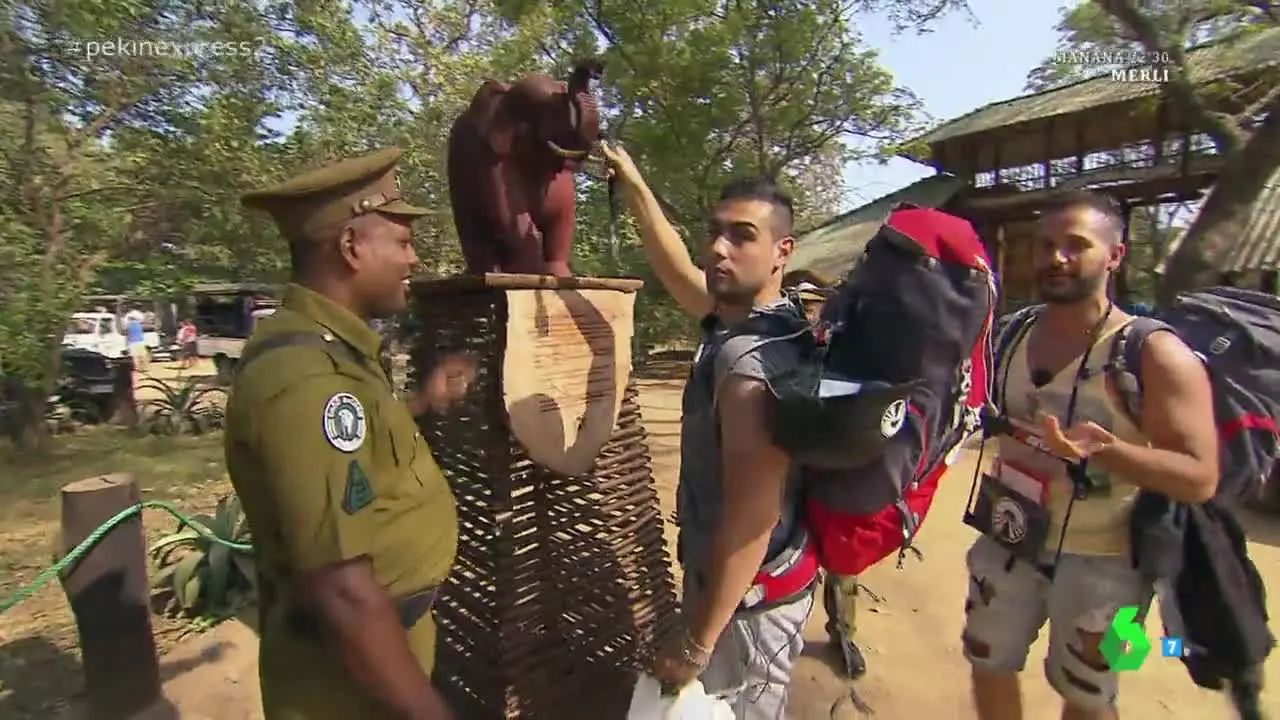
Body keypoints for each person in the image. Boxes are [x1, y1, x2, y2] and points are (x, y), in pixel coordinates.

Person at [226, 147, 476, 720]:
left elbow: (350, 455)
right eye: (403, 241)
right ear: (351, 247)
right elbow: (341, 592)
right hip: (350, 681)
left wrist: (422, 404)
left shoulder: (337, 353)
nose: (413, 259)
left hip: (383, 651)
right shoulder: (307, 379)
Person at [966, 190, 1219, 720]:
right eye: (1046, 245)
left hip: (1114, 567)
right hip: (1007, 538)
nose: (1056, 258)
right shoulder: (1012, 333)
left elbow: (1200, 478)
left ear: (1116, 256)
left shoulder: (1153, 353)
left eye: (1075, 245)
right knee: (986, 661)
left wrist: (1109, 451)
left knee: (1090, 692)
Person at [602, 142, 817, 719]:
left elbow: (752, 518)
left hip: (749, 607)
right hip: (751, 592)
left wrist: (695, 643)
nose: (719, 249)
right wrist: (636, 185)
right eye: (714, 232)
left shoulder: (750, 363)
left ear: (782, 251)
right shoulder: (764, 320)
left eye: (743, 235)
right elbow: (680, 274)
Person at [777, 269, 869, 680]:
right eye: (801, 302)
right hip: (785, 468)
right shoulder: (776, 343)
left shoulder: (845, 343)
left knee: (841, 562)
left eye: (813, 303)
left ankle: (844, 635)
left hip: (832, 470)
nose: (808, 311)